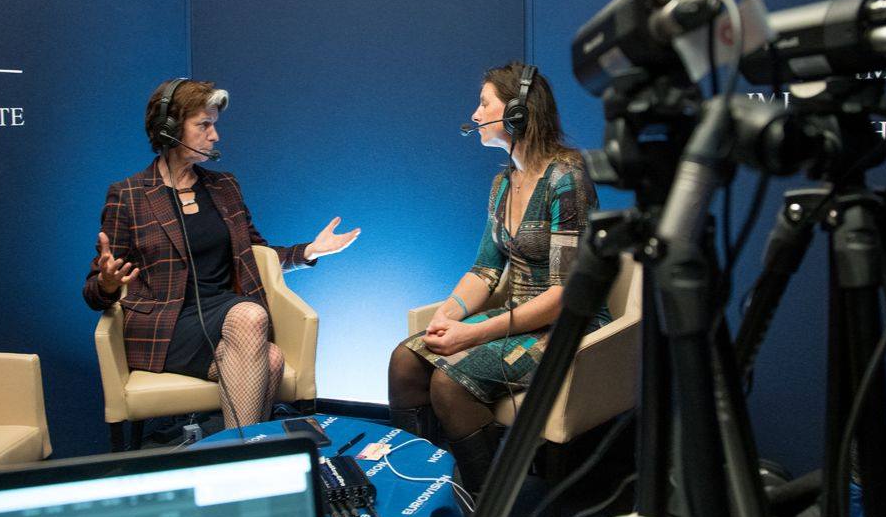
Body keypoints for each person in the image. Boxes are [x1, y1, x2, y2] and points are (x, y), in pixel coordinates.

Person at [82, 78, 359, 429]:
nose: (215, 136)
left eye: (214, 125)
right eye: (204, 125)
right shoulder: (128, 195)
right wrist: (108, 283)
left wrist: (308, 251)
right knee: (252, 318)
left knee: (271, 357)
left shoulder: (224, 186)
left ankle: (237, 454)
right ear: (169, 129)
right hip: (167, 326)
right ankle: (246, 454)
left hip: (226, 314)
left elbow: (255, 254)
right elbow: (93, 292)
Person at [387, 62, 605, 494]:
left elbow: (565, 294)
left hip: (567, 327)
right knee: (405, 361)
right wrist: (447, 316)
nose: (474, 114)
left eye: (484, 103)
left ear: (518, 113)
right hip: (517, 318)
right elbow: (485, 269)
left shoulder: (567, 179)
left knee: (449, 383)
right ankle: (425, 492)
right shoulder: (503, 183)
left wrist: (473, 334)